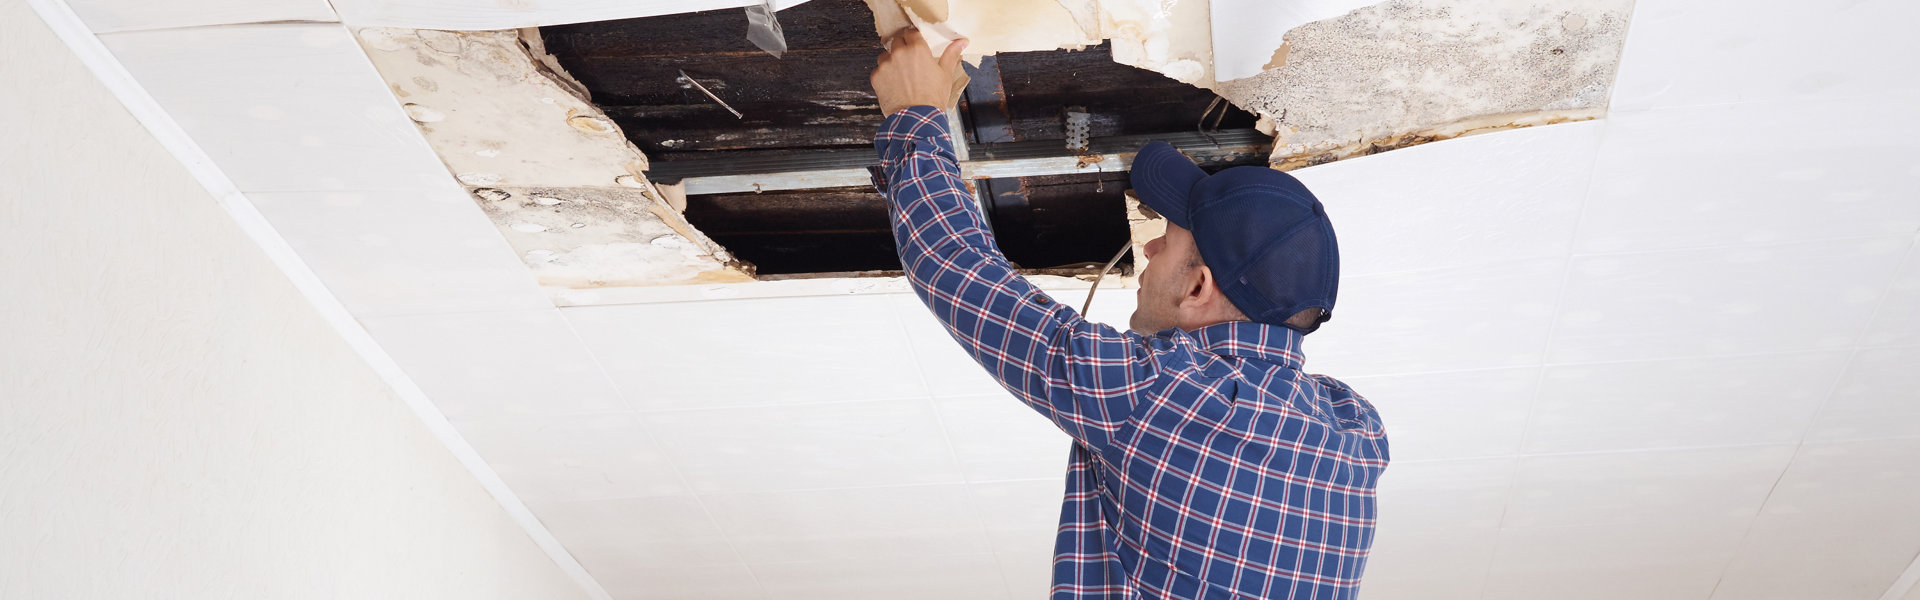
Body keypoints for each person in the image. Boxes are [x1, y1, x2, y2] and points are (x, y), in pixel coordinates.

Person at [869, 29, 1389, 600]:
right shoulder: (1351, 436)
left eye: (1166, 238)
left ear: (1198, 287)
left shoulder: (1169, 396)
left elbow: (959, 271)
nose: (1149, 249)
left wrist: (913, 116)